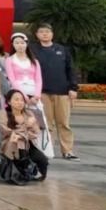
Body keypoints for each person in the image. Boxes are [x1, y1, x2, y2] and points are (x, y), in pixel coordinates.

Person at [33, 23, 79, 160]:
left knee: (64, 123)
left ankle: (67, 151)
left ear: (52, 34)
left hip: (62, 92)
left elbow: (71, 69)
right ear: (37, 35)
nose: (45, 34)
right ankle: (48, 150)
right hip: (42, 92)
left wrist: (73, 88)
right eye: (41, 32)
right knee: (46, 124)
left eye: (47, 31)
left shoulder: (62, 50)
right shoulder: (33, 50)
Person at [0, 89, 48, 180]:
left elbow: (36, 132)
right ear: (9, 102)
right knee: (17, 143)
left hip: (28, 144)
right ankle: (17, 170)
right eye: (16, 100)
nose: (20, 102)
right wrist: (25, 128)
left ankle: (32, 171)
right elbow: (5, 130)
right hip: (11, 144)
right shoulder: (3, 113)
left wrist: (22, 134)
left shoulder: (29, 113)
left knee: (43, 160)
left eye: (22, 100)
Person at [5, 33, 43, 109]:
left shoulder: (34, 61)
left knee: (36, 115)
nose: (20, 45)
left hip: (34, 95)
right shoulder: (9, 60)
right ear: (13, 45)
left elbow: (39, 80)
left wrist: (36, 96)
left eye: (22, 43)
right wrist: (24, 96)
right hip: (18, 95)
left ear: (26, 44)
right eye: (17, 43)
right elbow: (12, 79)